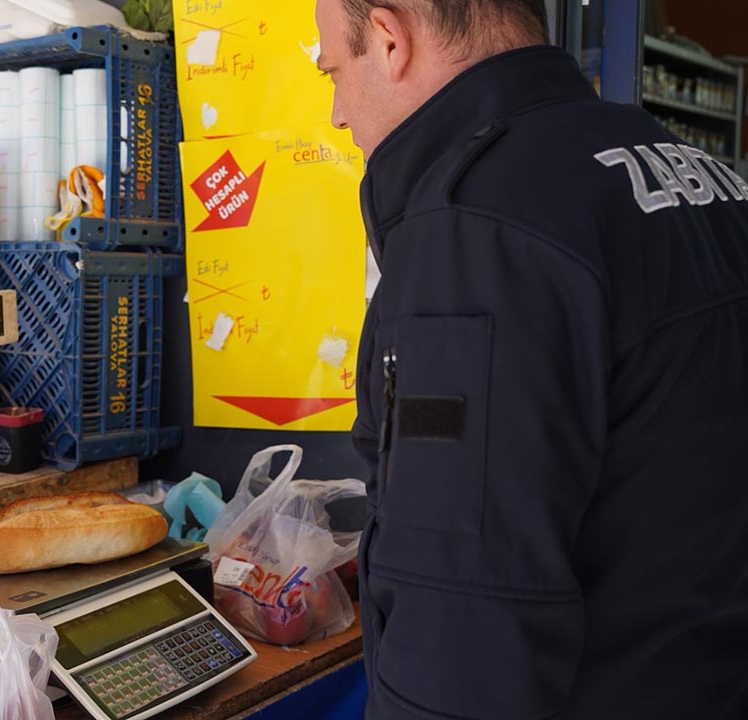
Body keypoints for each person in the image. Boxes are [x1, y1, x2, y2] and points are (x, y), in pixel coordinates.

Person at [313, 0, 748, 717]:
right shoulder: (698, 174)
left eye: (334, 71)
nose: (336, 112)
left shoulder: (474, 233)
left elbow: (462, 654)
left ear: (390, 40)